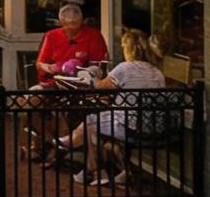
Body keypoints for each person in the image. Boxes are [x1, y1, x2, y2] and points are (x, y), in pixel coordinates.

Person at [28, 28, 168, 185]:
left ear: (128, 49)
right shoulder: (156, 72)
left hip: (133, 125)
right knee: (95, 120)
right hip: (156, 125)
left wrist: (88, 77)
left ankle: (91, 166)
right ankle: (91, 166)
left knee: (91, 121)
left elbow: (101, 87)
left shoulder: (125, 68)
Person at [34, 0, 110, 83]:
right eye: (65, 13)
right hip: (53, 84)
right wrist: (49, 68)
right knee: (29, 96)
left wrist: (82, 73)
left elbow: (99, 66)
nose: (71, 19)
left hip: (84, 85)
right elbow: (40, 63)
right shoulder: (51, 35)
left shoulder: (93, 35)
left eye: (76, 12)